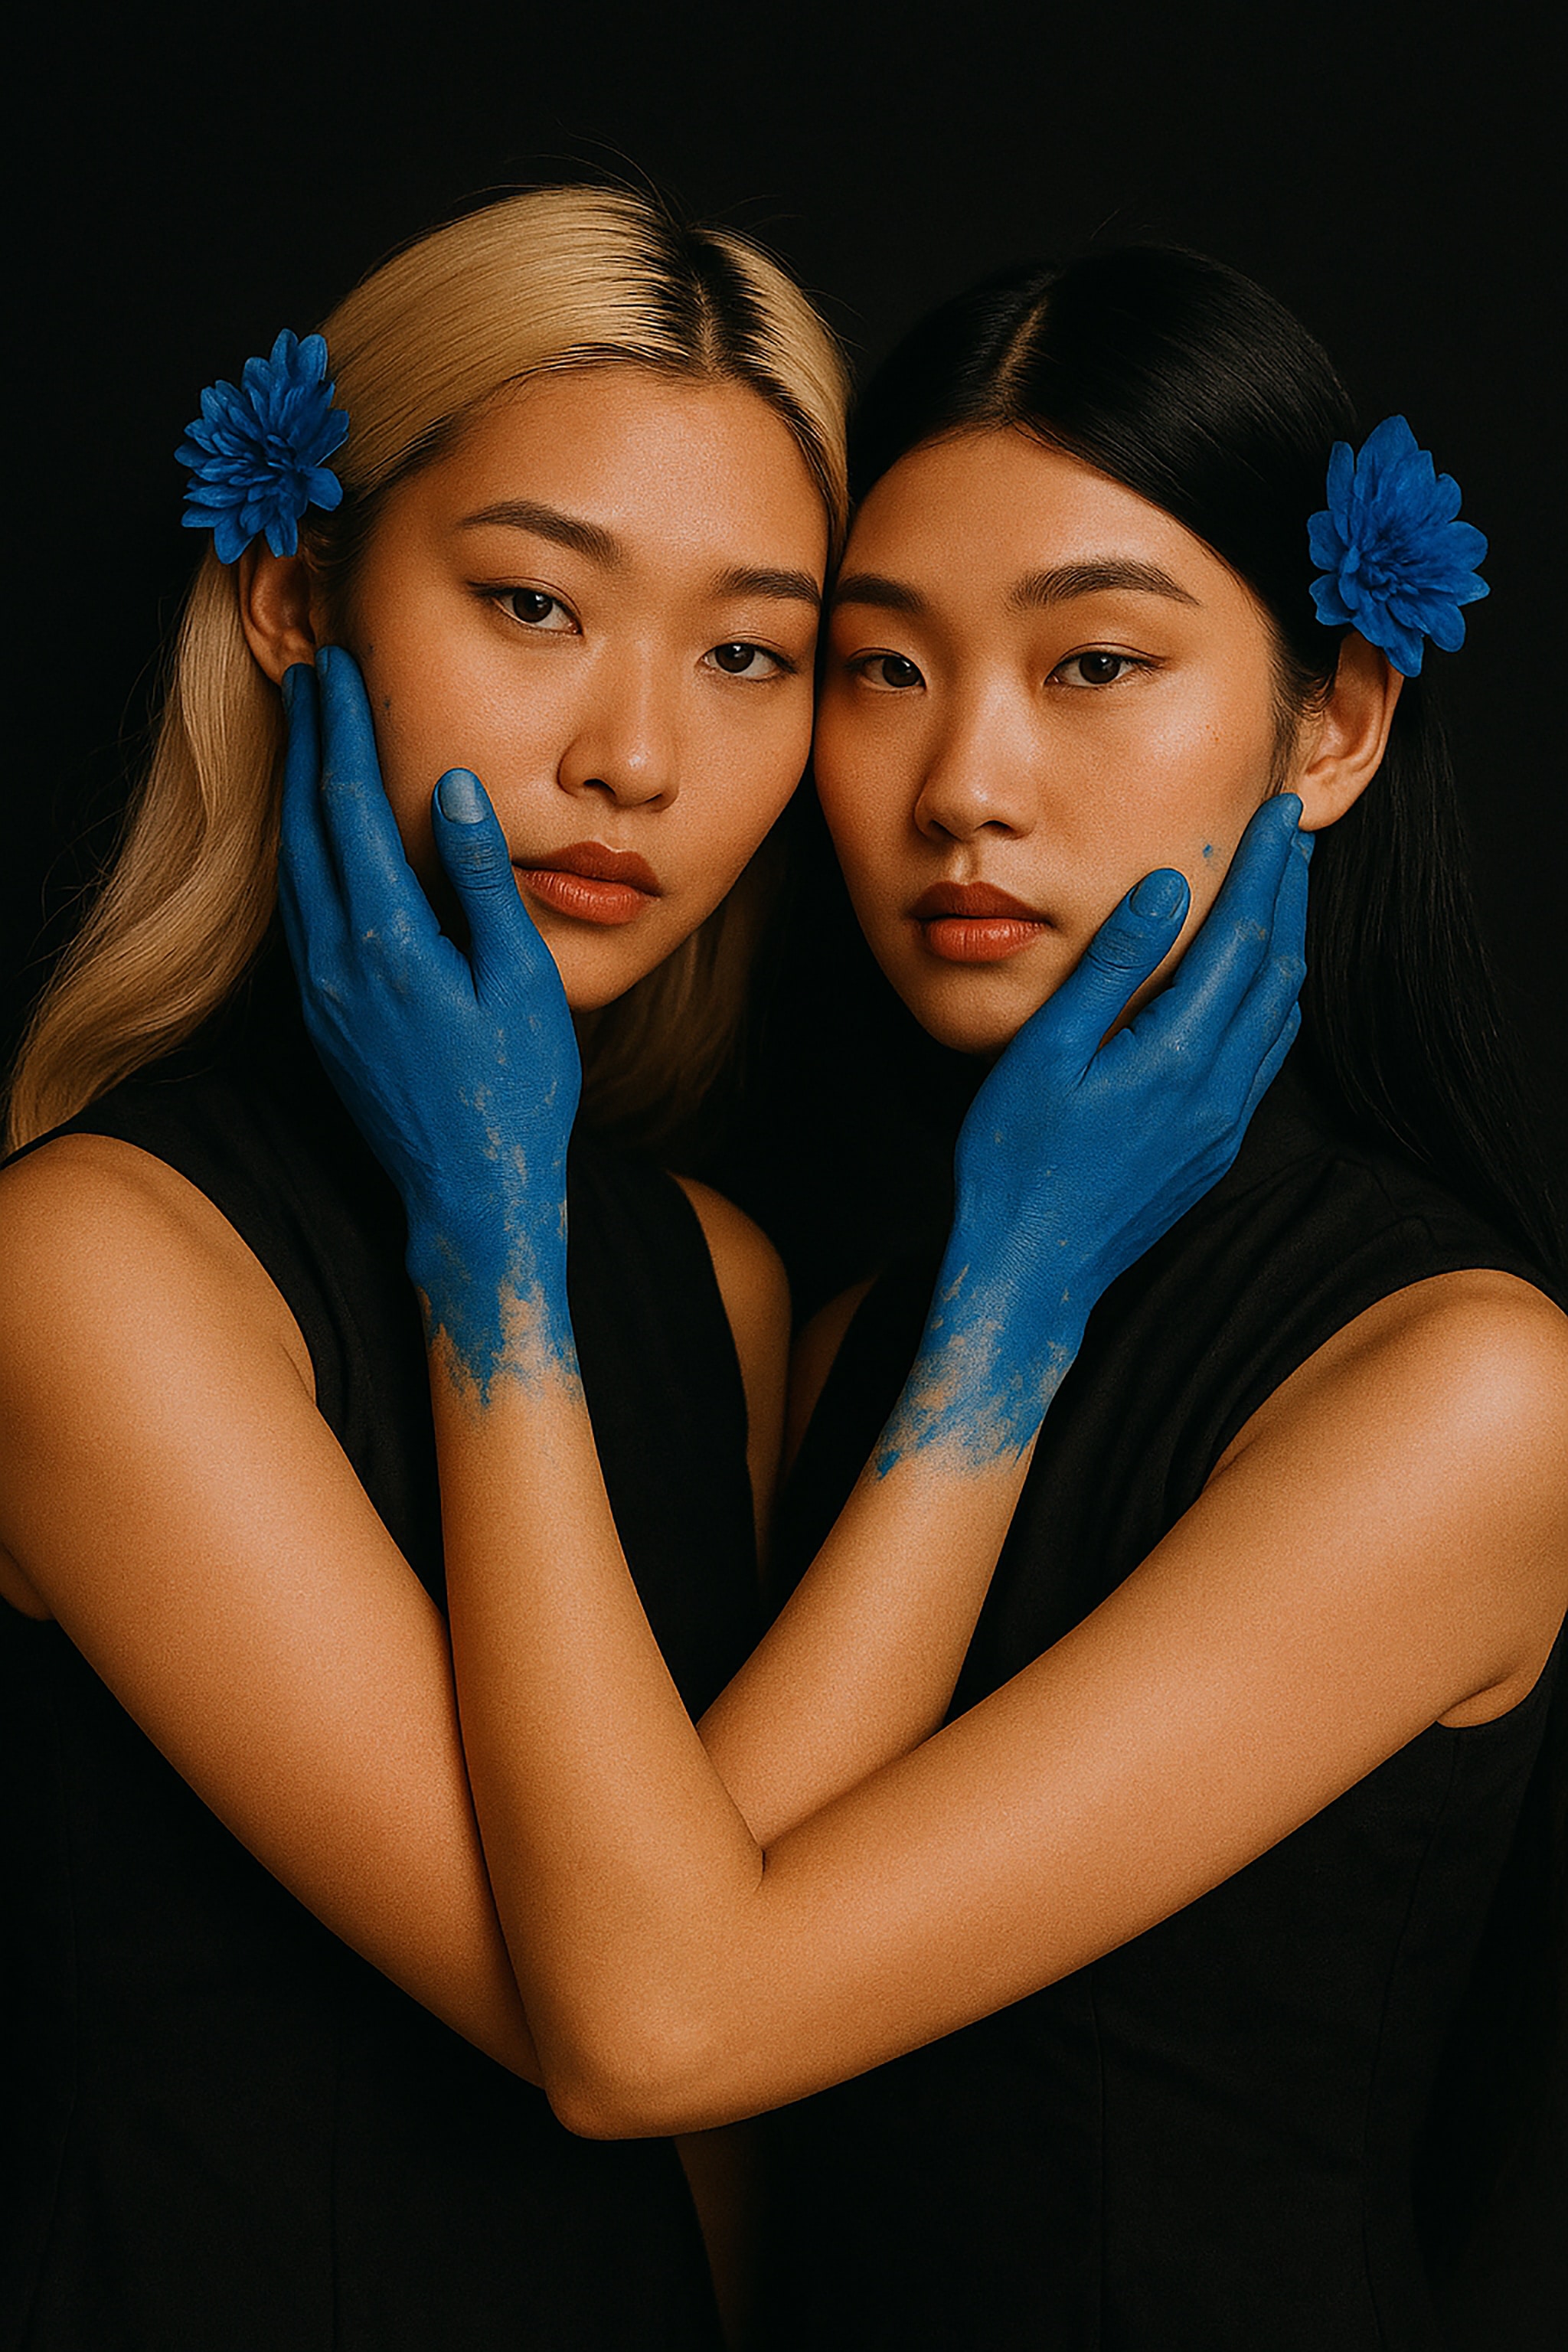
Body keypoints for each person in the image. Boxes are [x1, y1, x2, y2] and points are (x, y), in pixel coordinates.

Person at [271, 245, 1567, 2351]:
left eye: (1095, 666)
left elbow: (662, 2026)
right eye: (878, 668)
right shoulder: (848, 1331)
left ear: (1331, 724)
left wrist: (486, 1201)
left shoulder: (1464, 1393)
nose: (964, 781)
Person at [0, 181, 850, 2349]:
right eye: (538, 605)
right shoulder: (88, 1268)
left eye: (750, 651)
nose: (636, 757)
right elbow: (621, 2013)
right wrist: (485, 1224)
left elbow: (746, 2075)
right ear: (299, 586)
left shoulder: (722, 1285)